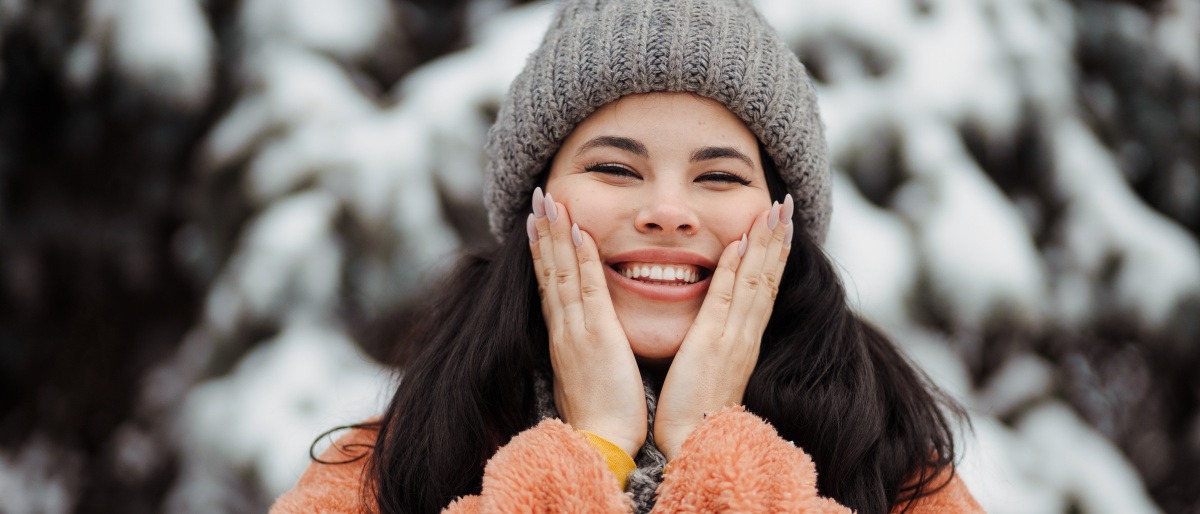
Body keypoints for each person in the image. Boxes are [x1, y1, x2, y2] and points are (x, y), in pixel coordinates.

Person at [272, 0, 984, 513]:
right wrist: (591, 453)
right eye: (615, 169)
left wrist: (713, 452)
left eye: (720, 176)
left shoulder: (896, 473)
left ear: (782, 221)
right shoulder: (381, 470)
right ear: (536, 206)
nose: (668, 212)